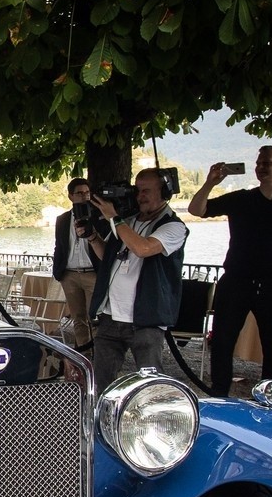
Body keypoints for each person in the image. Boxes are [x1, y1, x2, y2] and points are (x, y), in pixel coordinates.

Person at [189, 146, 272, 396]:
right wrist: (209, 183)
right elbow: (197, 210)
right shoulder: (241, 199)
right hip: (236, 280)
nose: (260, 167)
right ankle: (219, 395)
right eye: (259, 163)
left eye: (267, 163)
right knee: (222, 341)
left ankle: (270, 398)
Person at [85, 168, 188, 393]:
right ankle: (101, 422)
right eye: (138, 190)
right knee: (102, 381)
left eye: (146, 191)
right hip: (111, 315)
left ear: (165, 192)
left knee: (150, 385)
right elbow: (108, 257)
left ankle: (152, 424)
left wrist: (114, 218)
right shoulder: (127, 222)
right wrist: (92, 237)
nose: (140, 196)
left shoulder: (174, 227)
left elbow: (143, 248)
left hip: (145, 319)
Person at [51, 178, 105, 349]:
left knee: (95, 318)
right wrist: (58, 271)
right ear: (70, 196)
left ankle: (98, 357)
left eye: (87, 192)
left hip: (93, 273)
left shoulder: (100, 216)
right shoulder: (62, 219)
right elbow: (59, 245)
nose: (84, 196)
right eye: (79, 193)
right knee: (78, 319)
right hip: (70, 274)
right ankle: (83, 356)